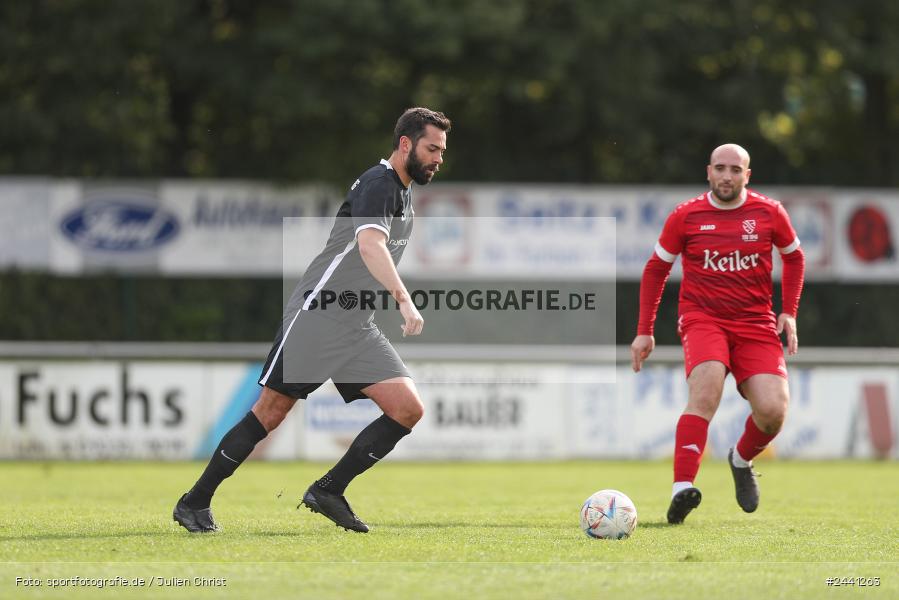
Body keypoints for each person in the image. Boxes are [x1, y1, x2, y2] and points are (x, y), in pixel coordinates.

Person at [173, 107, 451, 533]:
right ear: (405, 144)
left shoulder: (403, 192)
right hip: (318, 317)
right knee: (269, 413)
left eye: (442, 151)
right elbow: (370, 246)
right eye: (432, 148)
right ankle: (194, 502)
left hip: (356, 325)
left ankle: (328, 490)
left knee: (406, 409)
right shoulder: (380, 184)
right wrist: (404, 300)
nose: (438, 158)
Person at [630, 143, 805, 524]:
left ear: (747, 175)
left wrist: (788, 311)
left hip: (755, 323)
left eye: (735, 170)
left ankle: (740, 460)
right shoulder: (687, 216)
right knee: (706, 391)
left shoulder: (769, 212)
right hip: (702, 318)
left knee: (773, 411)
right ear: (708, 172)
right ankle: (682, 488)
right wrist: (644, 331)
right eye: (720, 168)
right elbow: (655, 269)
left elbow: (794, 257)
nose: (727, 176)